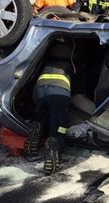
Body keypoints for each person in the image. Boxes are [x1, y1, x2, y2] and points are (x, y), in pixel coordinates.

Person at [24, 44, 73, 174]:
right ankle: (54, 144)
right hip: (59, 94)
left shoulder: (47, 62)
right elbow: (79, 92)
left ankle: (37, 128)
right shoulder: (72, 65)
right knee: (59, 127)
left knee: (44, 117)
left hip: (39, 91)